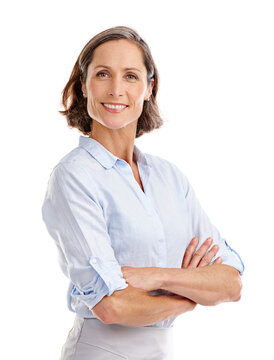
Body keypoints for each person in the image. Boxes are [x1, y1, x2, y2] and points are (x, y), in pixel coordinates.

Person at [41, 25, 244, 360]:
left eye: (131, 76)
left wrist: (156, 277)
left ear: (149, 88)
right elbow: (112, 306)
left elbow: (230, 284)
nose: (116, 89)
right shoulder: (74, 176)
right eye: (103, 74)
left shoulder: (169, 177)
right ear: (84, 85)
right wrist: (190, 295)